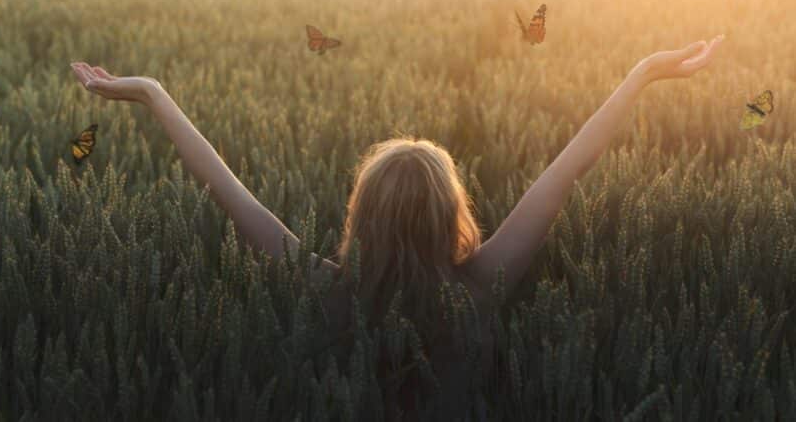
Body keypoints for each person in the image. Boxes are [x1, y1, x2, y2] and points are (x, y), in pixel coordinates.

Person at [70, 34, 724, 419]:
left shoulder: (324, 292)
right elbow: (566, 172)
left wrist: (153, 93)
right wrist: (641, 76)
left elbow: (225, 189)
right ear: (452, 212)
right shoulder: (483, 285)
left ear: (362, 212)